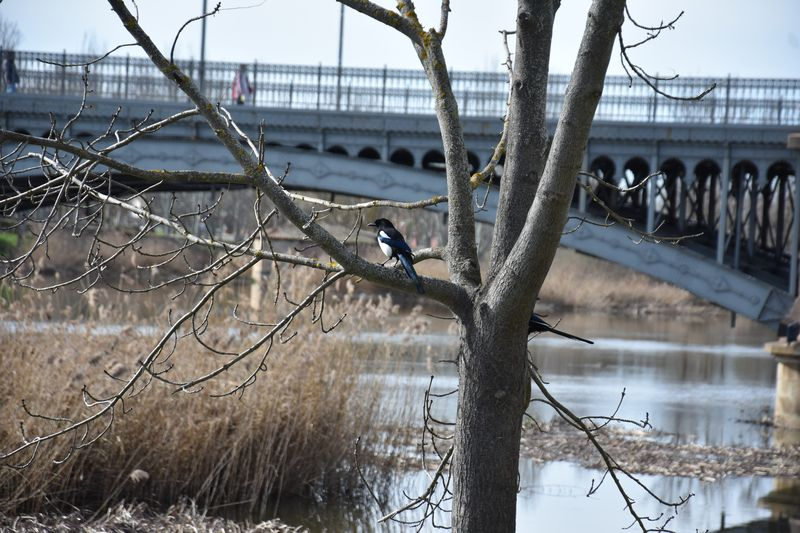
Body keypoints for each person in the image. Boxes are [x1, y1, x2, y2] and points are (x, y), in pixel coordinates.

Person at [368, 218, 424, 294]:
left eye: (377, 224)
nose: (375, 225)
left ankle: (383, 264)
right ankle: (418, 286)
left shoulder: (382, 233)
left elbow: (393, 245)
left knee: (399, 261)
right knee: (408, 267)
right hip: (402, 251)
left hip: (396, 250)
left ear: (382, 225)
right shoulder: (396, 232)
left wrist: (382, 265)